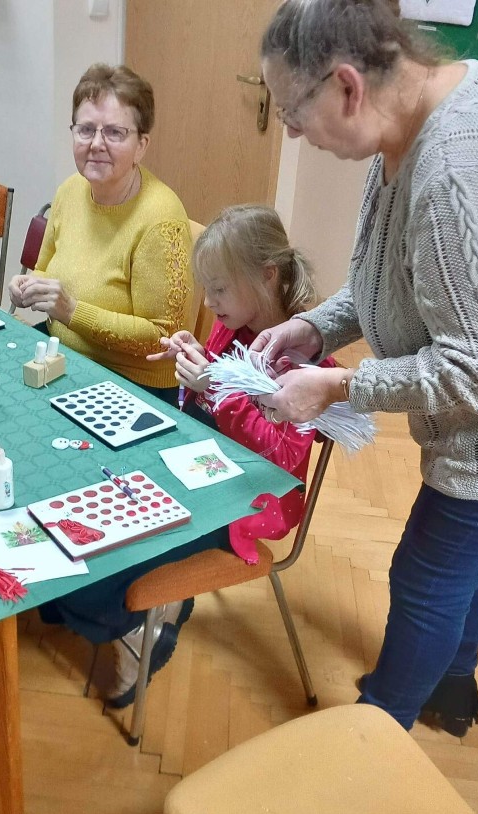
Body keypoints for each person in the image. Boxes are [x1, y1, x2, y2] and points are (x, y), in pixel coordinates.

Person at [254, 0, 478, 735]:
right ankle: (454, 683)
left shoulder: (454, 170)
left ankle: (380, 728)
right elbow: (398, 274)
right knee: (460, 563)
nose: (291, 131)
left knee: (426, 577)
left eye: (292, 111)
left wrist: (343, 384)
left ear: (347, 86)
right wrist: (315, 328)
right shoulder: (417, 117)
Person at [40, 204, 329, 708]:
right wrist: (196, 356)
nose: (209, 300)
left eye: (219, 289)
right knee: (83, 504)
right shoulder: (238, 318)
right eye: (207, 288)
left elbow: (281, 456)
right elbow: (213, 389)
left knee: (107, 564)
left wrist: (215, 390)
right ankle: (101, 603)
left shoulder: (304, 358)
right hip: (202, 460)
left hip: (253, 498)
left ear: (266, 277)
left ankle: (138, 628)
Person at [8, 63, 193, 404]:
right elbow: (46, 268)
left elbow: (162, 337)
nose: (96, 144)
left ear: (142, 145)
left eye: (114, 133)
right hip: (62, 356)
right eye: (86, 129)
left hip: (132, 385)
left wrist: (71, 311)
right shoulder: (70, 190)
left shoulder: (162, 221)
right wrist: (28, 286)